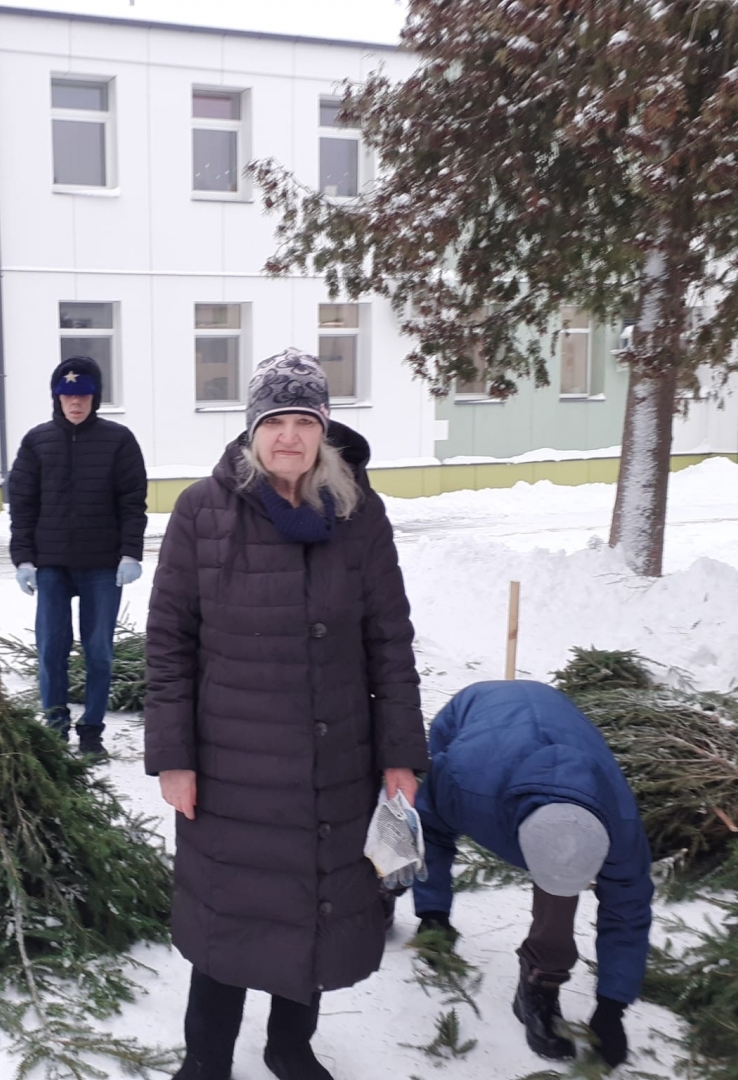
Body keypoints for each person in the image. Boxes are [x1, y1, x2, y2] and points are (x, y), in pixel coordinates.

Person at [145, 349, 427, 1080]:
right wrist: (173, 758)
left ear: (325, 429)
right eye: (276, 421)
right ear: (251, 430)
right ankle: (206, 1060)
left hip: (337, 761)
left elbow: (388, 640)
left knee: (317, 913)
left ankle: (288, 1046)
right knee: (228, 919)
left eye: (306, 420)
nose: (291, 437)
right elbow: (169, 641)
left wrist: (401, 756)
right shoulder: (202, 513)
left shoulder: (358, 513)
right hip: (231, 765)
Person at [410, 680, 653, 1070]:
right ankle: (381, 888)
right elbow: (430, 830)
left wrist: (613, 1007)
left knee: (561, 876)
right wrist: (432, 911)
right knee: (406, 814)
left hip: (554, 721)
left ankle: (540, 983)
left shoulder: (621, 828)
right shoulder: (466, 785)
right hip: (473, 713)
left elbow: (629, 908)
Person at [7, 355, 147, 757]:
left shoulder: (118, 440)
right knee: (51, 650)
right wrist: (24, 560)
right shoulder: (37, 441)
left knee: (98, 650)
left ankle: (91, 732)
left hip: (103, 565)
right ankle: (55, 729)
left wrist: (130, 554)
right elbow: (22, 503)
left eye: (83, 394)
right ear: (56, 397)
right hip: (51, 565)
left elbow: (132, 501)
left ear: (95, 397)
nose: (76, 402)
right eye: (68, 394)